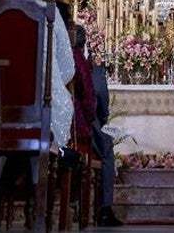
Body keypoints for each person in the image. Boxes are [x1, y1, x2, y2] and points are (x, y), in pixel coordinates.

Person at [0, 0, 78, 166]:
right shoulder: (47, 13)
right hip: (45, 113)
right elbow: (67, 69)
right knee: (56, 104)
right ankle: (40, 182)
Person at [69, 25, 124, 227]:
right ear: (85, 44)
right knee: (106, 148)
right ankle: (104, 208)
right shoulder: (89, 68)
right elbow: (99, 105)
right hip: (83, 123)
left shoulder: (53, 58)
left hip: (55, 123)